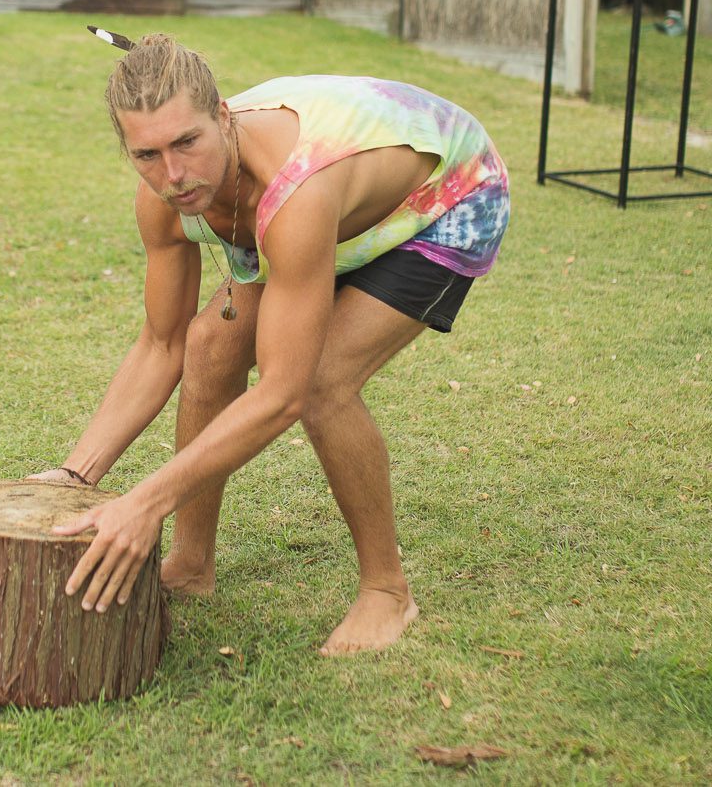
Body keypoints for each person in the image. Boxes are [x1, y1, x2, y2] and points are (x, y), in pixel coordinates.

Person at [31, 33, 509, 654]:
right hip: (317, 212)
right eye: (147, 154)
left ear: (223, 117)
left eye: (187, 142)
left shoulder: (296, 191)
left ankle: (387, 592)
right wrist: (76, 475)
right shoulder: (168, 199)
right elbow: (161, 344)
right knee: (208, 345)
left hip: (446, 195)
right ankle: (191, 564)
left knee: (320, 383)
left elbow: (282, 395)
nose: (173, 175)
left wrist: (146, 500)